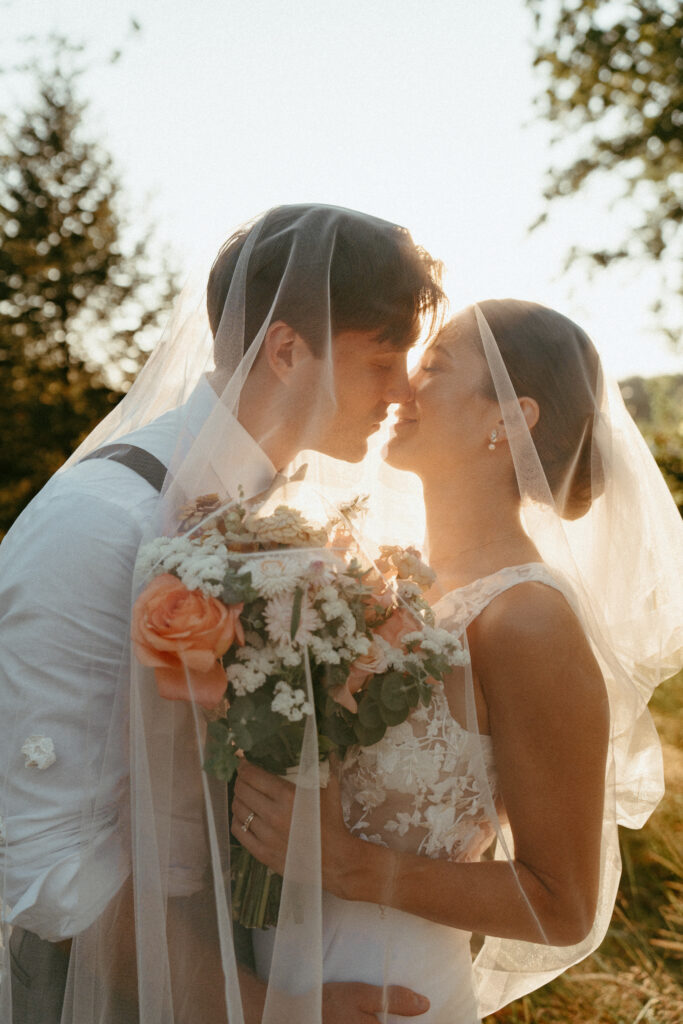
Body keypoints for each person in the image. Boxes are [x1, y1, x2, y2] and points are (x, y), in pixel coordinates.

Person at [0, 204, 444, 1023]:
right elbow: (41, 856)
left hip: (249, 946)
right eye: (384, 359)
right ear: (285, 349)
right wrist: (262, 1009)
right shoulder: (100, 521)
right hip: (110, 984)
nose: (404, 390)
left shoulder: (297, 518)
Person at [232, 299, 683, 1021]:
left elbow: (559, 905)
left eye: (434, 366)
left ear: (507, 419)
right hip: (271, 979)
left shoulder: (526, 619)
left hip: (393, 992)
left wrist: (343, 863)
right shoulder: (380, 584)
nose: (401, 387)